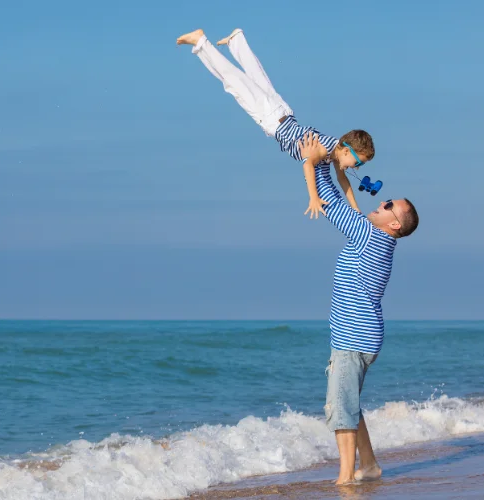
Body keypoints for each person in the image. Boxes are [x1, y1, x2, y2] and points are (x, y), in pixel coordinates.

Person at [298, 132, 419, 485]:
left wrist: (317, 159)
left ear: (394, 224)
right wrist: (326, 162)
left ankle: (344, 480)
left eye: (387, 207)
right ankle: (369, 465)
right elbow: (340, 197)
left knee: (341, 409)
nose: (380, 204)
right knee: (349, 401)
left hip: (354, 341)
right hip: (362, 337)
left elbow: (331, 204)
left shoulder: (369, 236)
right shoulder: (376, 237)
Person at [176, 28, 374, 219]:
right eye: (358, 162)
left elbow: (342, 180)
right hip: (272, 118)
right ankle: (201, 42)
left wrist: (356, 210)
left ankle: (237, 41)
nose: (356, 167)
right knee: (233, 81)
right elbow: (308, 166)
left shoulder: (335, 153)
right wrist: (313, 198)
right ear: (347, 151)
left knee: (256, 76)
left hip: (283, 113)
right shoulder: (323, 150)